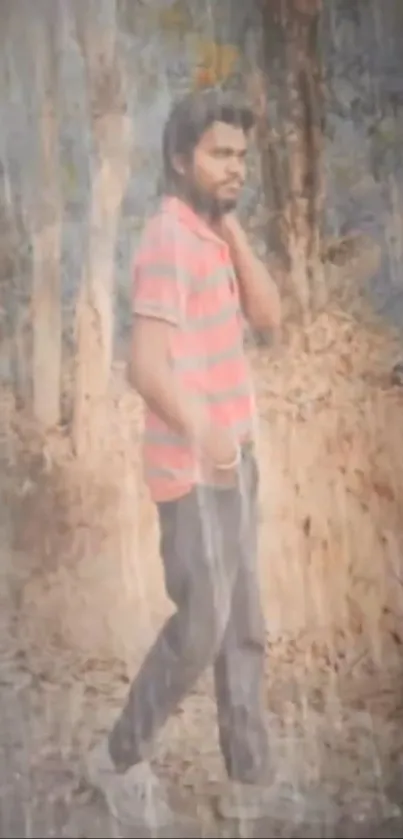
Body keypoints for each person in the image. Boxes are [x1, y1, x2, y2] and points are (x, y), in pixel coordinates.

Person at [87, 87, 281, 830]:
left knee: (244, 625)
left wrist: (230, 225)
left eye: (240, 155)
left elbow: (267, 315)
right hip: (193, 473)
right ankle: (117, 759)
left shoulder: (209, 235)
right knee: (203, 626)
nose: (235, 167)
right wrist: (214, 439)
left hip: (234, 463)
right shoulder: (167, 238)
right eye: (218, 154)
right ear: (178, 158)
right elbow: (146, 367)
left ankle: (249, 775)